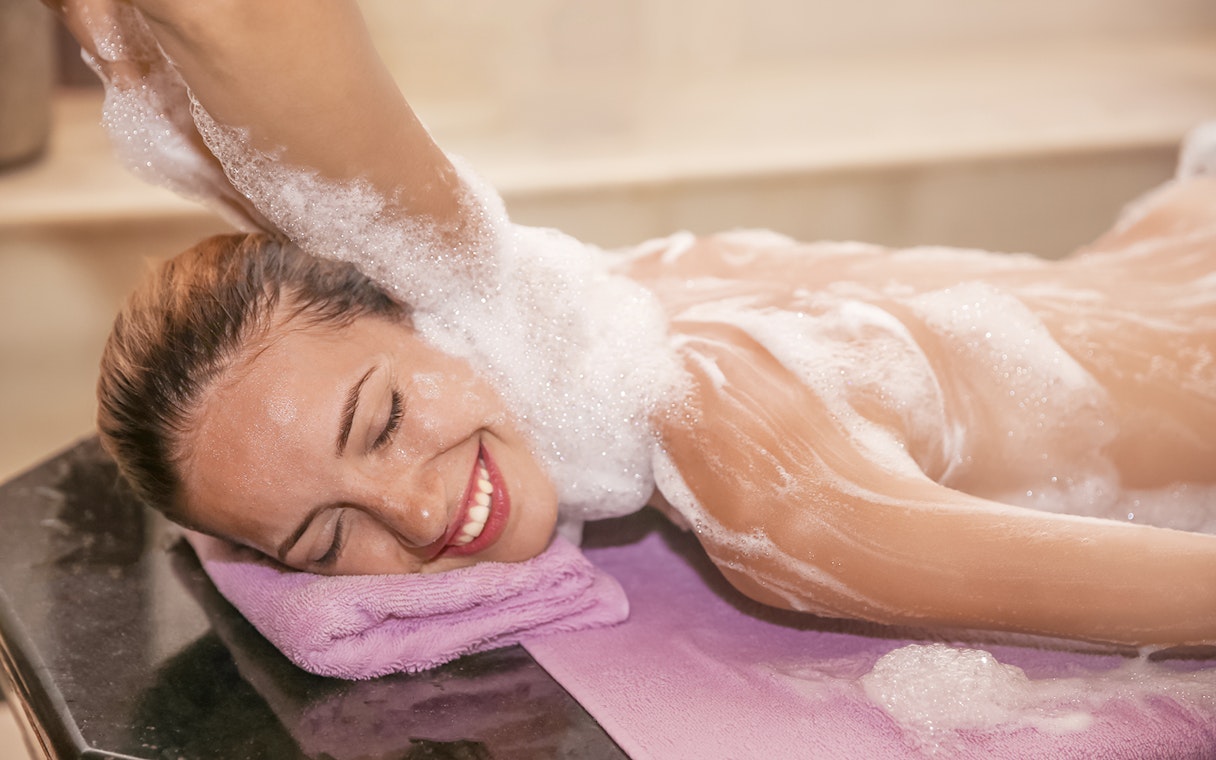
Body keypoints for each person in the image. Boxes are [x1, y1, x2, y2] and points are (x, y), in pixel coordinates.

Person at [49, 0, 1215, 649]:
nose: (413, 512)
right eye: (324, 541)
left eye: (384, 420)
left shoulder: (749, 471)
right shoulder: (599, 302)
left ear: (414, 314)